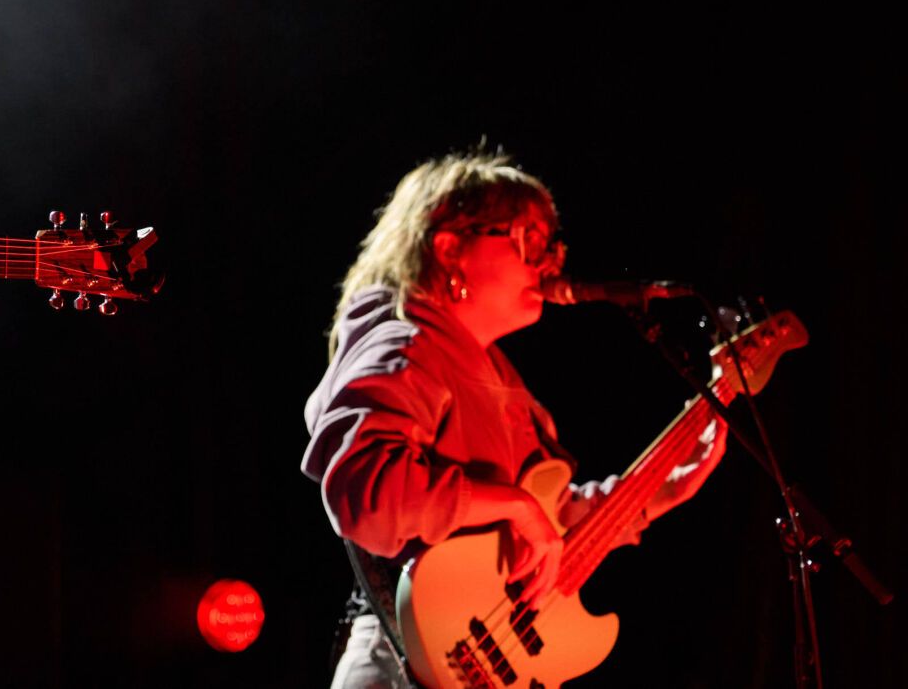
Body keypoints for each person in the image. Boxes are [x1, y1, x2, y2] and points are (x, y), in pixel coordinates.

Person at [300, 150, 724, 689]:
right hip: (399, 658)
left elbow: (547, 525)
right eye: (530, 239)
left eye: (553, 243)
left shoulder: (498, 379)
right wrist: (519, 507)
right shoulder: (405, 340)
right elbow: (368, 494)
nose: (551, 262)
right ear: (451, 247)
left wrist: (665, 487)